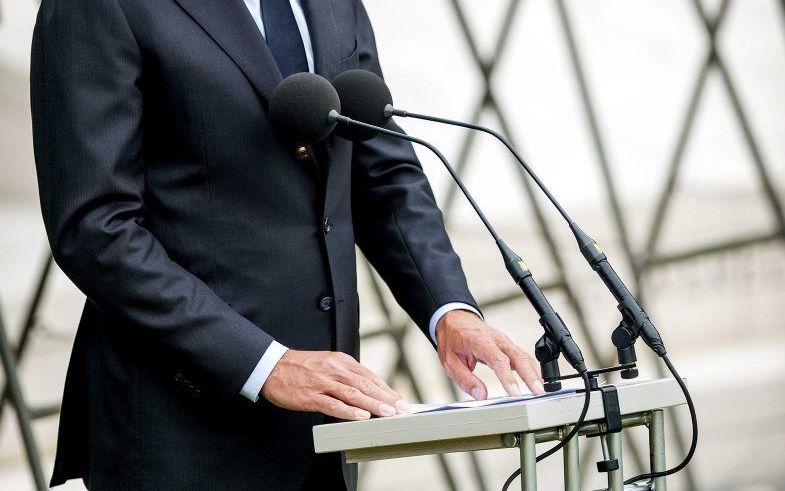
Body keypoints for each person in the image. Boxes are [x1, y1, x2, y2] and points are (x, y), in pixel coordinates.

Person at [30, 0, 544, 489]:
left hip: (329, 434)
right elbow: (96, 230)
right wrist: (264, 362)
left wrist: (449, 311)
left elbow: (382, 171)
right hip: (182, 438)